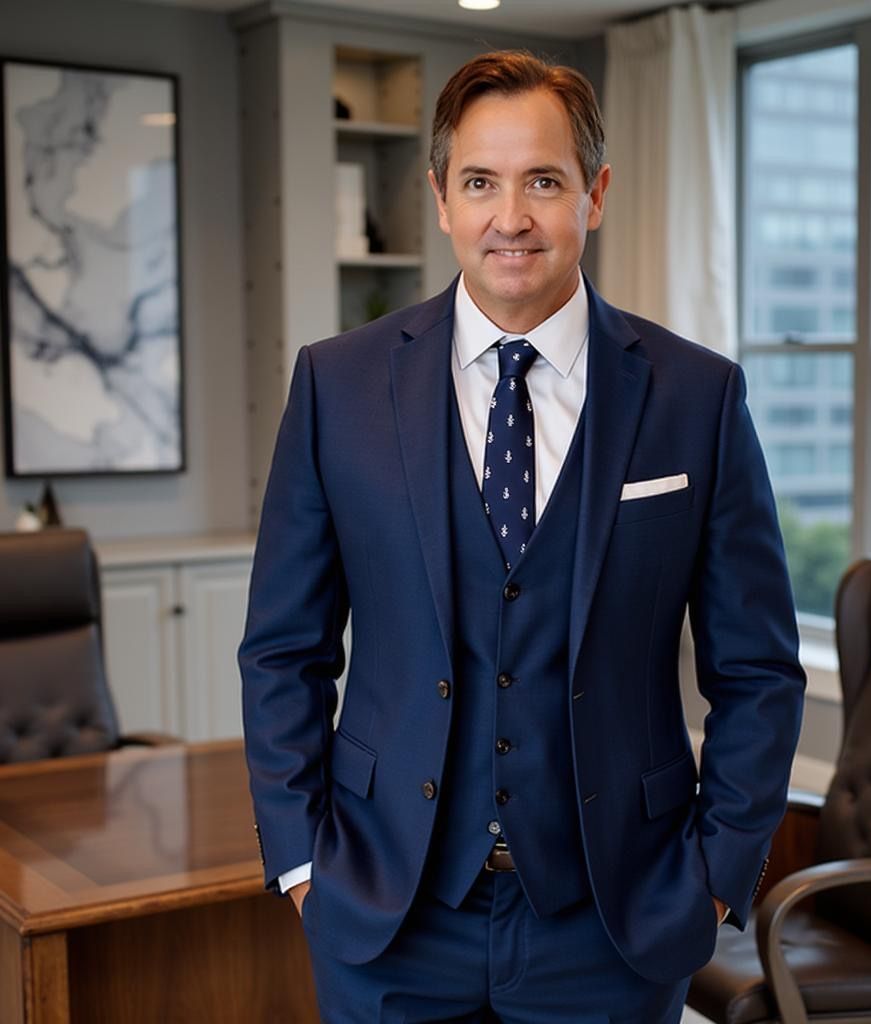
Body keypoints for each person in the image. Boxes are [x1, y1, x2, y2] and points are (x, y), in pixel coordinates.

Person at [239, 49, 805, 1024]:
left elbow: (757, 669)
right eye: (479, 183)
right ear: (440, 198)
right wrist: (302, 862)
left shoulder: (695, 397)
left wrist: (713, 876)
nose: (511, 217)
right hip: (387, 914)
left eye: (543, 180)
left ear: (594, 193)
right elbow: (284, 649)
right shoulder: (337, 386)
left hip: (615, 919)